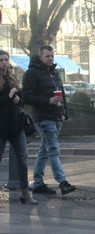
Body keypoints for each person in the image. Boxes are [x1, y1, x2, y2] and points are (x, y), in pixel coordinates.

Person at [22, 45, 76, 195]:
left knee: (45, 150)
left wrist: (64, 112)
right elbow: (26, 97)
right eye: (47, 56)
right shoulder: (31, 74)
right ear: (40, 57)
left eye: (52, 56)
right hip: (43, 117)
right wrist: (48, 101)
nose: (51, 58)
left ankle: (38, 182)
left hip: (56, 116)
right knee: (52, 149)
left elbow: (62, 92)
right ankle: (62, 182)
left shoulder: (54, 72)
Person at [0, 50, 37, 204]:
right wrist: (9, 96)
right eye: (1, 59)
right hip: (1, 125)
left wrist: (17, 98)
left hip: (16, 124)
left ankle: (25, 191)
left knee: (23, 158)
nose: (4, 62)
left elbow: (21, 98)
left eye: (6, 59)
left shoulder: (11, 77)